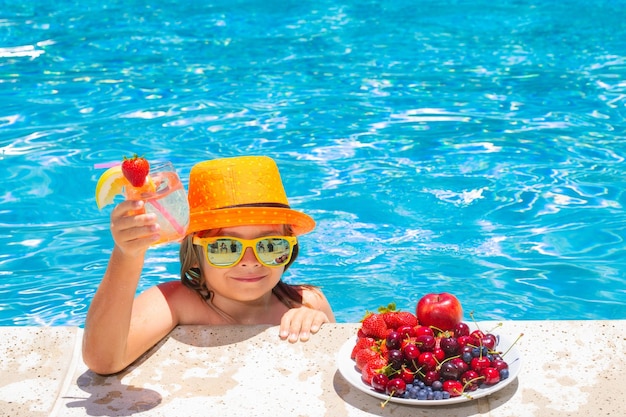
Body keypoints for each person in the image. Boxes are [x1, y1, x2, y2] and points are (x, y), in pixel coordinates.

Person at [83, 156, 335, 375]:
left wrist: (316, 322)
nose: (249, 262)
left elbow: (338, 364)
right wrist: (127, 254)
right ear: (195, 253)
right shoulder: (176, 302)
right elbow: (104, 360)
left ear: (290, 248)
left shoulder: (307, 302)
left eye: (270, 246)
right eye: (224, 247)